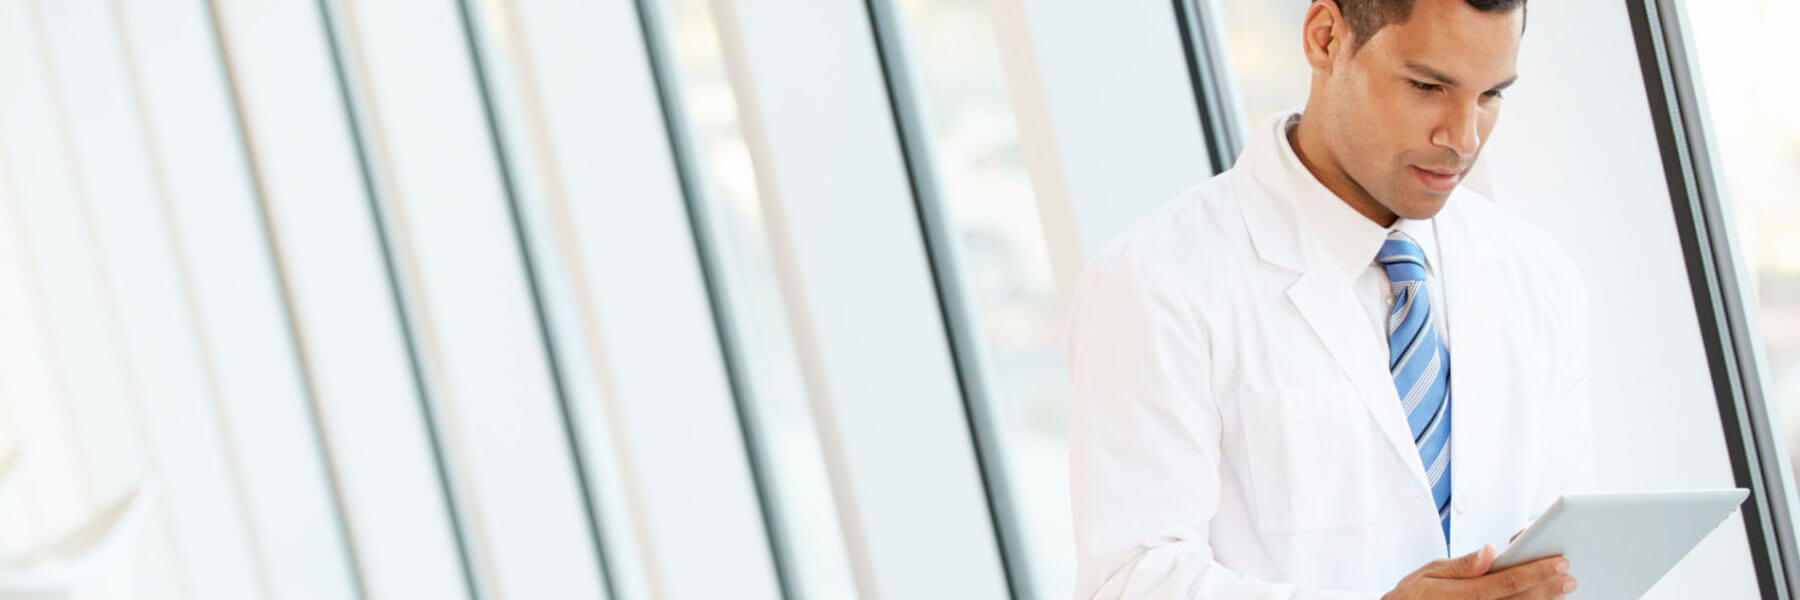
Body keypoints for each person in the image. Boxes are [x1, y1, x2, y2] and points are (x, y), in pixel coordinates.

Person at [1064, 0, 1594, 598]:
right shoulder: (1155, 283)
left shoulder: (1538, 274)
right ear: (1325, 38)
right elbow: (1130, 578)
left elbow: (1564, 549)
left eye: (1491, 95)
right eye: (1427, 86)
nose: (1463, 138)